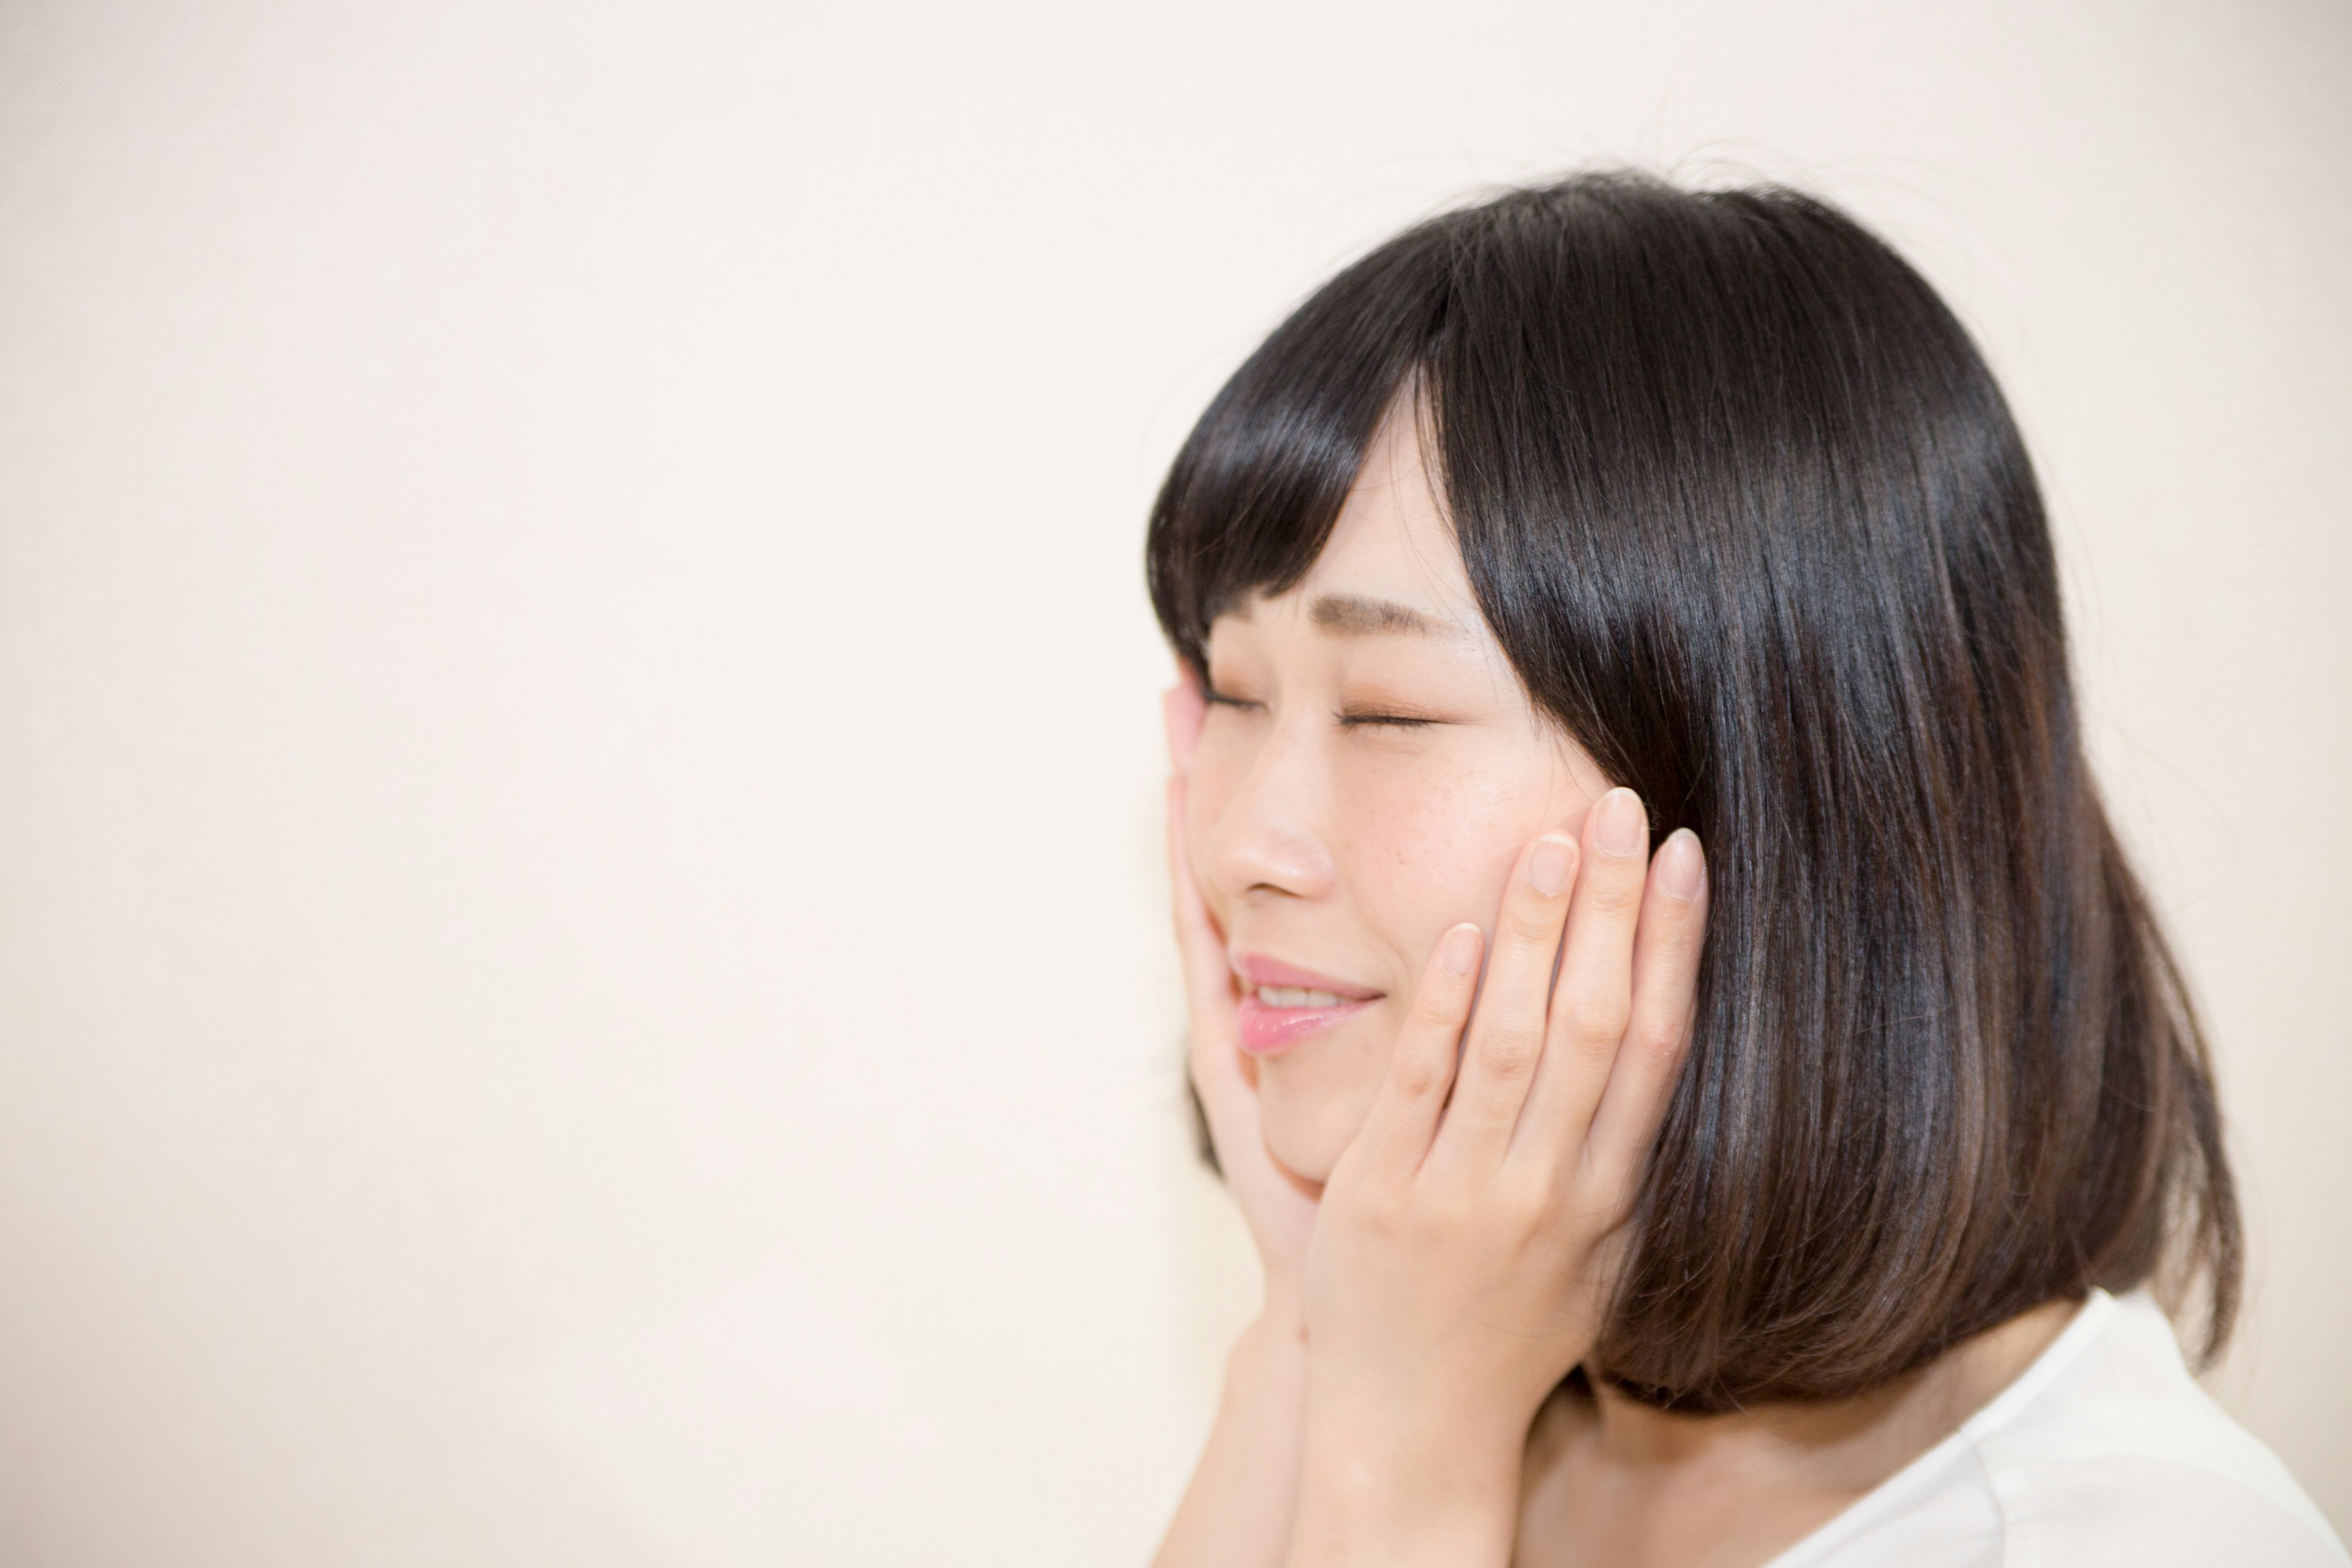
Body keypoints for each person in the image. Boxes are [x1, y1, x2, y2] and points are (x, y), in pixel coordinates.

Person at [1143, 172, 2346, 1568]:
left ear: (1770, 804)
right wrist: (1310, 1324)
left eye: (1388, 711)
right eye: (1232, 692)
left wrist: (1402, 1462)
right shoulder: (1440, 1392)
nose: (1236, 843)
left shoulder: (2146, 1543)